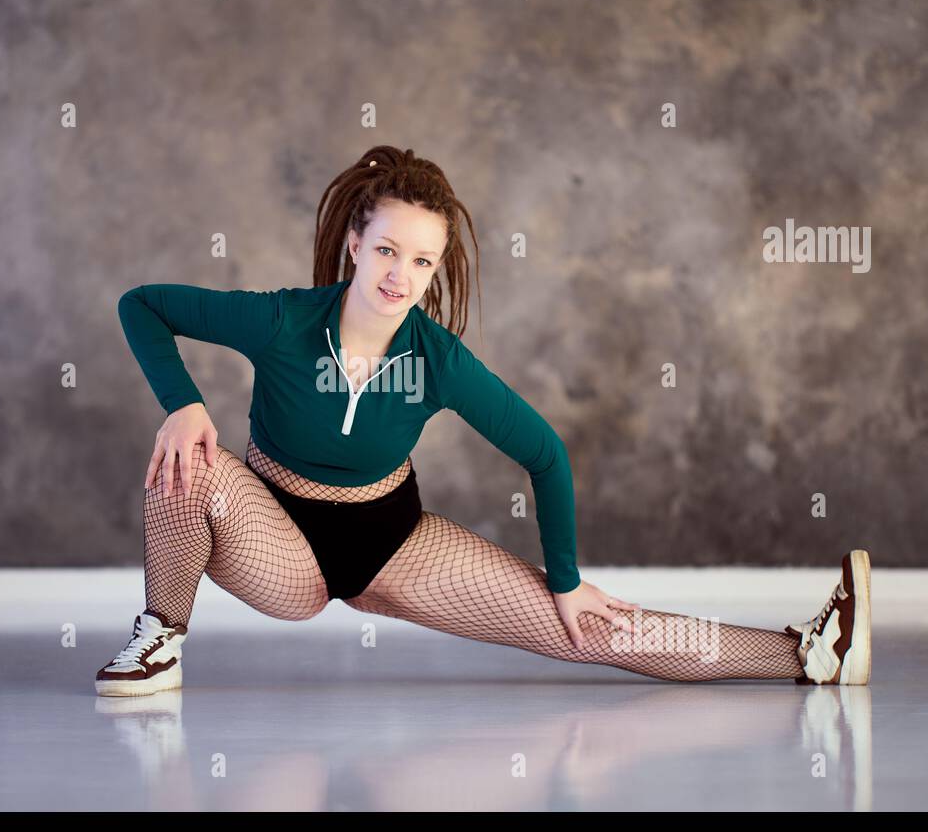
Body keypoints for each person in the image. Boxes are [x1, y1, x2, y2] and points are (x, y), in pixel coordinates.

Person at [96, 145, 872, 696]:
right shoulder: (282, 323)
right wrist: (184, 405)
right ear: (355, 245)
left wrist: (565, 582)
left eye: (423, 262)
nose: (401, 275)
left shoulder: (438, 360)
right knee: (186, 459)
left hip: (390, 540)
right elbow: (144, 306)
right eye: (388, 250)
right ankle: (158, 640)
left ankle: (807, 655)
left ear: (436, 272)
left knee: (589, 628)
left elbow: (546, 455)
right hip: (279, 541)